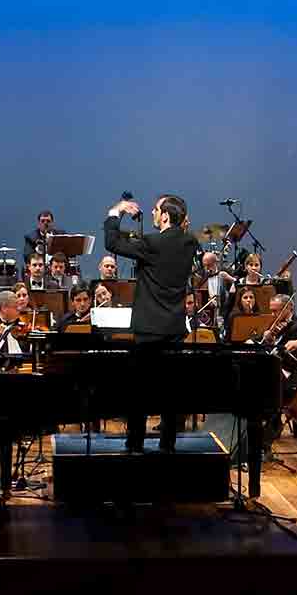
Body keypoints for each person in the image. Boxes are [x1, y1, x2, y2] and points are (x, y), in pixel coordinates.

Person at [105, 193, 200, 452]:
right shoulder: (190, 242)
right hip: (174, 330)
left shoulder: (152, 243)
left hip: (148, 331)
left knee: (139, 392)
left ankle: (135, 446)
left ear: (166, 216)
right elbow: (183, 233)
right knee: (171, 394)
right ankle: (167, 446)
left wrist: (117, 211)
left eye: (157, 210)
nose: (154, 214)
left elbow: (112, 242)